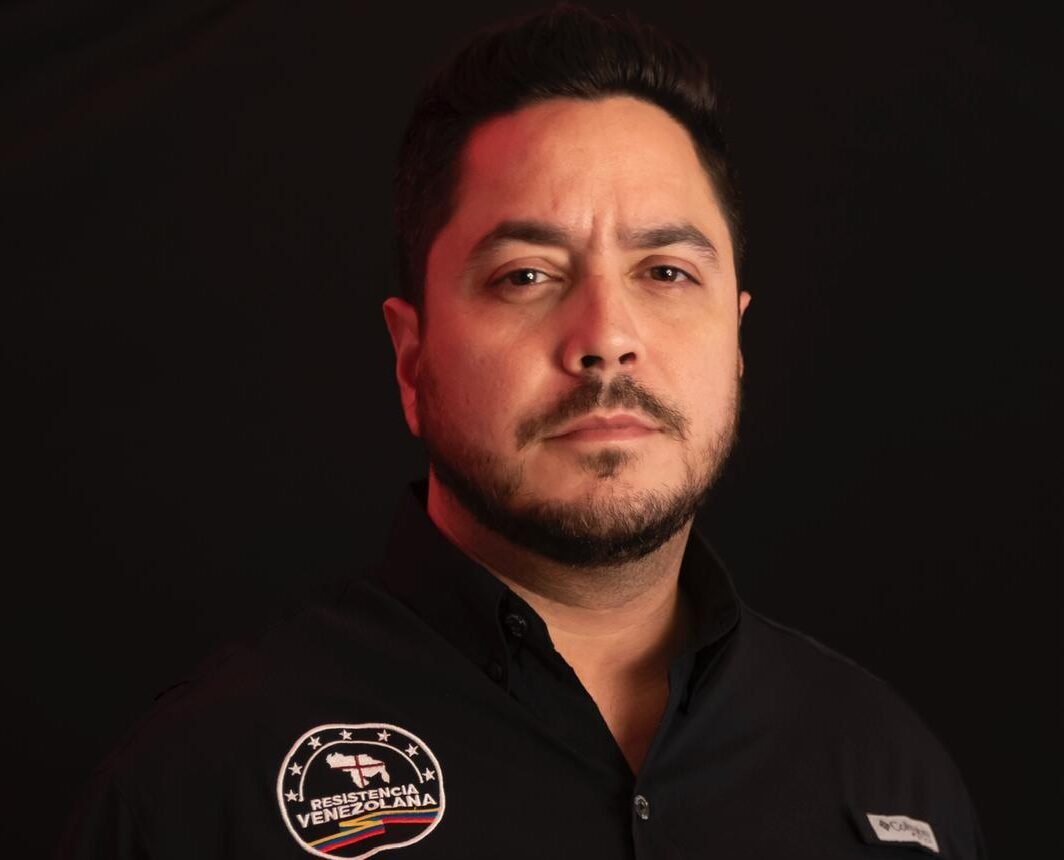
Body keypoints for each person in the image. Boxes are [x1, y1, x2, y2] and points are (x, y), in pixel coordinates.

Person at [59, 4, 986, 858]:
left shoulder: (888, 777)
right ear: (411, 358)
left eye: (666, 272)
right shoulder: (201, 792)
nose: (607, 338)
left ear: (737, 340)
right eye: (527, 276)